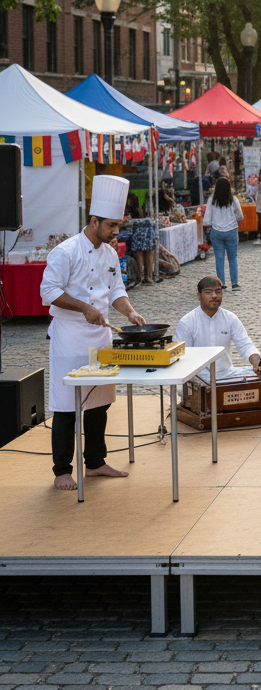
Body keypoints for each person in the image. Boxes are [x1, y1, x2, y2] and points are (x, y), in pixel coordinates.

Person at [41, 175, 147, 491]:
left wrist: (129, 311)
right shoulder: (65, 251)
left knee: (99, 402)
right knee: (67, 405)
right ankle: (62, 470)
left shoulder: (110, 254)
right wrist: (82, 308)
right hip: (69, 335)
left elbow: (116, 289)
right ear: (94, 220)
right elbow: (48, 291)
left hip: (100, 337)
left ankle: (96, 462)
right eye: (111, 226)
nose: (116, 232)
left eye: (119, 226)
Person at [176, 276, 261, 374]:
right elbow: (182, 357)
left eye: (218, 291)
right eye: (208, 292)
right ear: (199, 296)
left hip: (226, 373)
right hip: (197, 375)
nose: (214, 296)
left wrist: (256, 362)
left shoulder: (230, 318)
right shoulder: (187, 322)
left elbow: (245, 345)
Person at [203, 176, 243, 291]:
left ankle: (222, 284)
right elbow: (240, 215)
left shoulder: (212, 199)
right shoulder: (233, 199)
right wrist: (235, 225)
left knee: (219, 258)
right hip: (231, 231)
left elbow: (207, 219)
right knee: (233, 257)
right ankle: (235, 284)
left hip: (216, 231)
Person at [126, 191, 157, 284]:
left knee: (140, 255)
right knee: (149, 254)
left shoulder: (129, 212)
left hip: (136, 236)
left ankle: (141, 276)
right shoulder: (138, 211)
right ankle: (149, 276)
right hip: (147, 236)